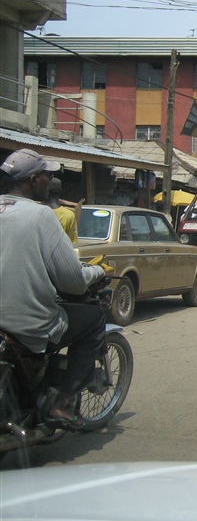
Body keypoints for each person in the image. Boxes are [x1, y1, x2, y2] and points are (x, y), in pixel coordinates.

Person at [0, 149, 108, 428]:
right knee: (94, 319)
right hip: (24, 324)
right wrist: (97, 271)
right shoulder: (42, 216)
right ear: (34, 179)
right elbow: (71, 280)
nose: (50, 181)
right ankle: (63, 403)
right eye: (48, 175)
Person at [45, 177, 78, 243]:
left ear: (46, 190)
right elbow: (72, 242)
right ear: (60, 192)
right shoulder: (69, 215)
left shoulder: (37, 212)